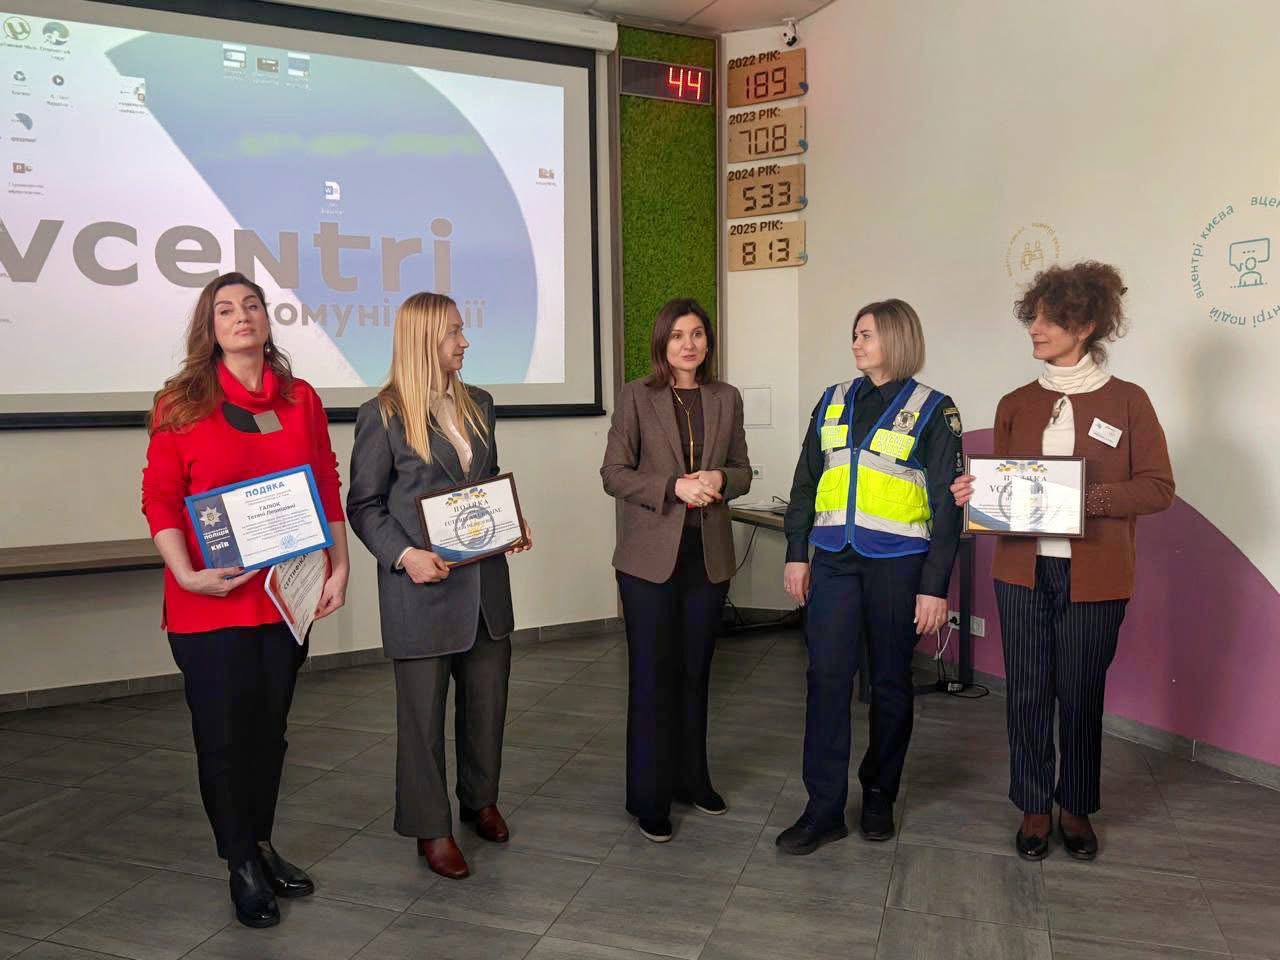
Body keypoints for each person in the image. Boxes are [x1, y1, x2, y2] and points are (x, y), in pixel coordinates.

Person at [141, 272, 349, 928]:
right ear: (210, 327)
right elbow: (160, 498)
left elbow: (325, 482)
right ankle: (239, 864)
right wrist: (185, 574)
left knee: (269, 734)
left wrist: (340, 564)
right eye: (226, 309)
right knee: (224, 738)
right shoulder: (180, 402)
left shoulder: (300, 398)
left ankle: (258, 843)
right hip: (209, 602)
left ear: (266, 318)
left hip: (286, 600)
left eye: (252, 305)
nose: (242, 316)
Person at [952, 262, 1174, 861]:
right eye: (1034, 317)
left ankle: (1075, 805)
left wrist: (1085, 499)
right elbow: (1005, 487)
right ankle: (1033, 805)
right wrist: (976, 493)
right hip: (1021, 573)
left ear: (1087, 325)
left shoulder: (1129, 401)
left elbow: (1158, 488)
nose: (1035, 328)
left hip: (1096, 576)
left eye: (1050, 319)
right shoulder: (1015, 403)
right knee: (1026, 691)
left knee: (1080, 693)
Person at [346, 292, 530, 880]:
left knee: (487, 705)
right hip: (421, 590)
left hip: (485, 589)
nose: (465, 341)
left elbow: (484, 484)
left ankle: (480, 801)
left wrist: (510, 525)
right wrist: (404, 556)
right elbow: (364, 505)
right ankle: (431, 827)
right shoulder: (382, 414)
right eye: (454, 331)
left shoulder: (481, 404)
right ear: (425, 338)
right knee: (422, 720)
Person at [777, 299, 963, 855]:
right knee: (826, 679)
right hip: (834, 560)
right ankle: (823, 808)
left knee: (889, 682)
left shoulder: (934, 410)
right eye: (855, 334)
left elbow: (947, 508)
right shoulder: (832, 401)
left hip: (899, 565)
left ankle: (880, 794)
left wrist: (934, 586)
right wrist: (797, 552)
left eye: (867, 335)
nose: (856, 344)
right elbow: (806, 481)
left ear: (897, 339)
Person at [601, 297, 751, 843]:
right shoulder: (636, 396)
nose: (689, 344)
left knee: (696, 673)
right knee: (652, 677)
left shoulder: (725, 397)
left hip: (707, 557)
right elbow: (614, 474)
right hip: (648, 562)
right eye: (678, 336)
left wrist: (720, 478)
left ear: (708, 342)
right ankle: (650, 795)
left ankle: (693, 779)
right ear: (662, 344)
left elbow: (743, 470)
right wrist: (673, 487)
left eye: (697, 334)